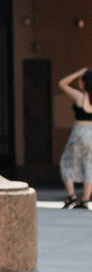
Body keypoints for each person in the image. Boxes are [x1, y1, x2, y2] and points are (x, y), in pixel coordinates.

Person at [60, 68, 92, 208]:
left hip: (79, 131)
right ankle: (85, 199)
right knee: (88, 164)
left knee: (66, 162)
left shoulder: (80, 97)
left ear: (84, 82)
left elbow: (62, 83)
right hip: (91, 132)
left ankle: (71, 195)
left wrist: (78, 72)